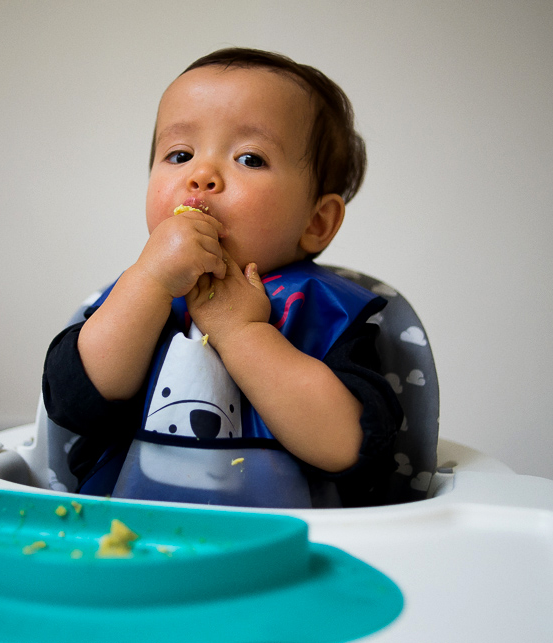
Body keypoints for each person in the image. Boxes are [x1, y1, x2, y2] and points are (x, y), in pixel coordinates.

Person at [43, 48, 402, 508]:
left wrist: (242, 332)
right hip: (125, 537)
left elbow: (347, 445)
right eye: (179, 154)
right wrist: (150, 282)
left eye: (250, 159)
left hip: (286, 547)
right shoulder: (136, 295)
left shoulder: (326, 312)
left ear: (316, 221)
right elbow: (74, 403)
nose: (202, 175)